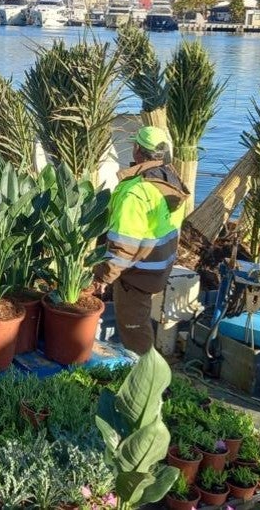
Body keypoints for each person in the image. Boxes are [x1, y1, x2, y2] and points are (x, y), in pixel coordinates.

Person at [91, 126, 189, 355]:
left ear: (137, 150)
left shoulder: (135, 192)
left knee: (135, 330)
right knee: (141, 319)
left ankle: (145, 379)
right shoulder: (169, 180)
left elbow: (123, 247)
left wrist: (103, 276)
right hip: (158, 267)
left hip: (137, 274)